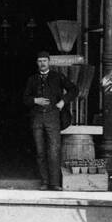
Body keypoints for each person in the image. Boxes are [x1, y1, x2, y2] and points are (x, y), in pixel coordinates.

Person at [22, 51, 75, 191]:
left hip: (53, 117)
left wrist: (64, 101)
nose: (42, 63)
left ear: (49, 62)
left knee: (54, 150)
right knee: (40, 151)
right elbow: (24, 99)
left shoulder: (57, 77)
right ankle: (45, 182)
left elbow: (74, 89)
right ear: (37, 63)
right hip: (37, 118)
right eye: (39, 61)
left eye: (44, 60)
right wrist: (35, 100)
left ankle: (55, 183)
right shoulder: (32, 79)